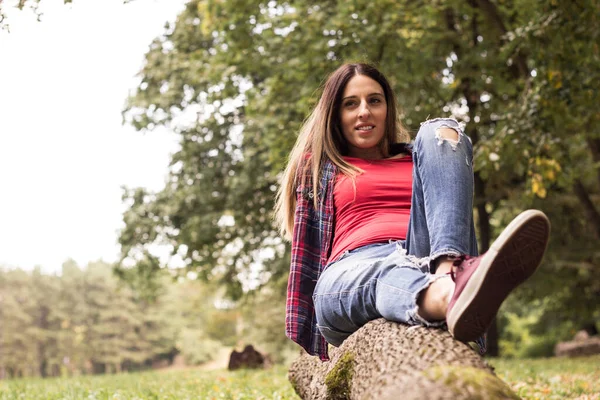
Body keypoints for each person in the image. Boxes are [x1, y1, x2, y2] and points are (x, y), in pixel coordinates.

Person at [274, 63, 550, 361]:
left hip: (422, 258)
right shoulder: (321, 167)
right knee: (386, 271)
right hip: (351, 275)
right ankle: (449, 294)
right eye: (350, 104)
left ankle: (448, 276)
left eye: (374, 100)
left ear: (388, 109)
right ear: (334, 115)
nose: (364, 111)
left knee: (442, 129)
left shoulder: (420, 159)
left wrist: (439, 268)